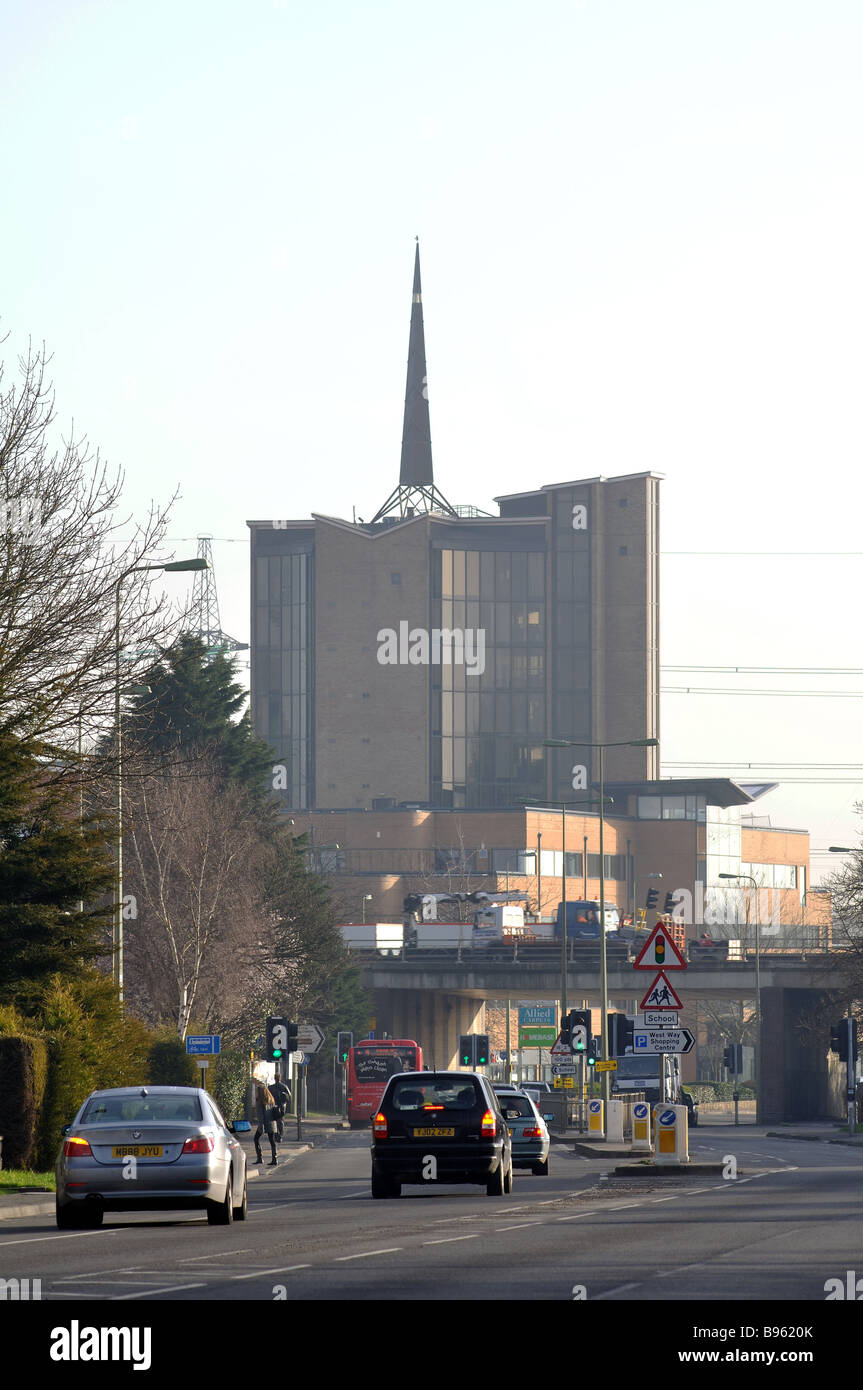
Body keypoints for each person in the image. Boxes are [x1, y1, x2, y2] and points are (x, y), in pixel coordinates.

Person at [253, 1080, 278, 1166]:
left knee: (256, 1139)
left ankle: (260, 1158)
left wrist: (261, 1127)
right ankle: (274, 1158)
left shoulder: (260, 1101)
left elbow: (261, 1116)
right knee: (272, 1141)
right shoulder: (270, 1098)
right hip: (272, 1123)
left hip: (263, 1124)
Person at [270, 1070, 291, 1142]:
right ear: (280, 1078)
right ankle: (280, 1135)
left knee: (273, 1121)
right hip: (281, 1106)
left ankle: (276, 1135)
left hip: (273, 1106)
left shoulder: (270, 1087)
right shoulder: (284, 1086)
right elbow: (289, 1096)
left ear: (274, 1078)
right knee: (280, 1121)